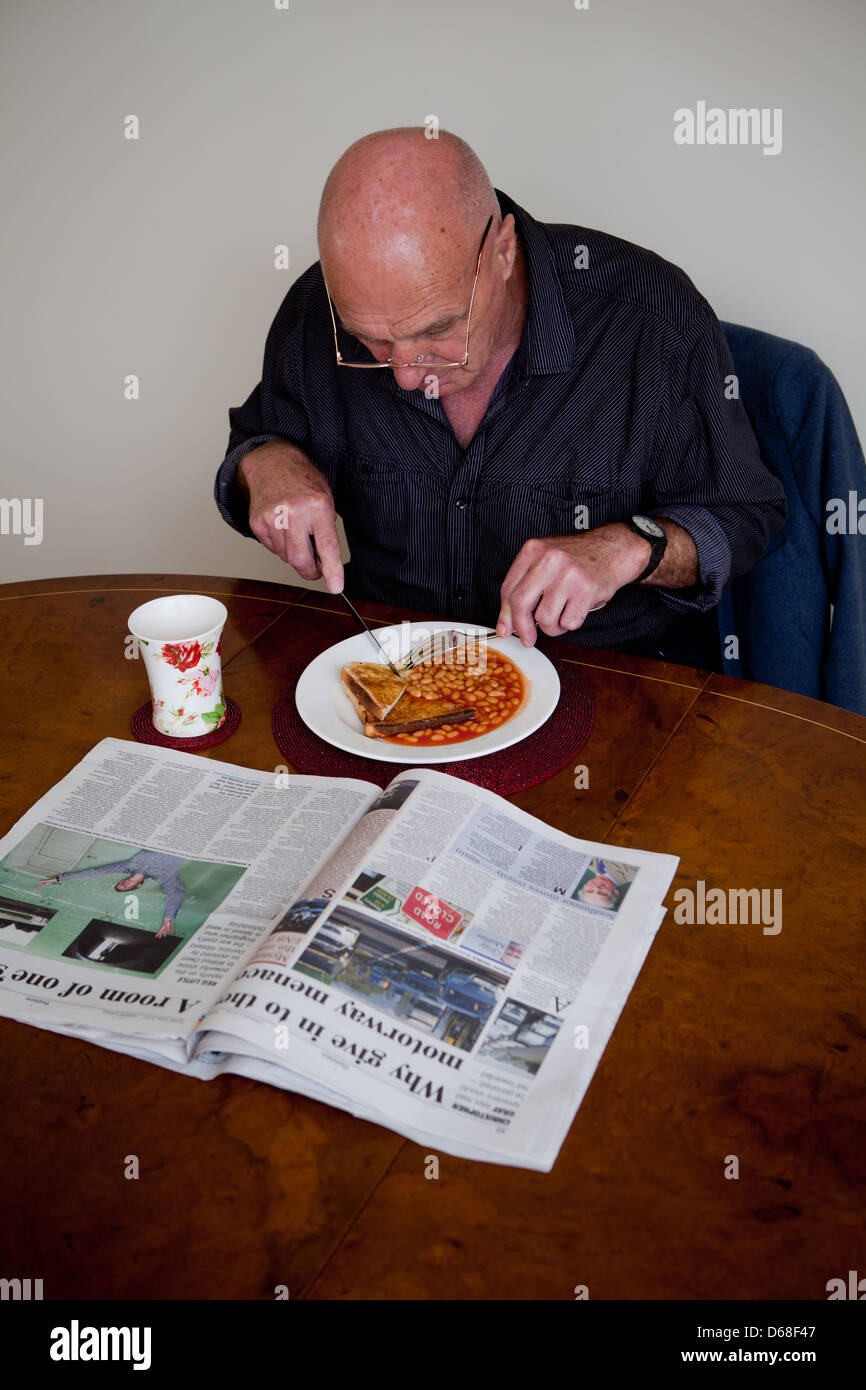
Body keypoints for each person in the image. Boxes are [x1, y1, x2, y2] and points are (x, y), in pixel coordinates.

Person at [215, 127, 787, 667]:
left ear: (504, 251)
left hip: (610, 685)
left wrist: (629, 546)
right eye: (372, 341)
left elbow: (745, 515)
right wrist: (270, 467)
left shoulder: (651, 322)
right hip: (399, 681)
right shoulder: (315, 314)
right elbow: (258, 444)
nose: (408, 375)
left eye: (439, 329)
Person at [38, 849, 188, 940]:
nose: (122, 884)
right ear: (139, 885)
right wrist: (169, 916)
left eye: (120, 884)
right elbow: (176, 892)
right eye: (124, 888)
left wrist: (59, 878)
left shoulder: (127, 866)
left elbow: (95, 872)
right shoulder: (163, 876)